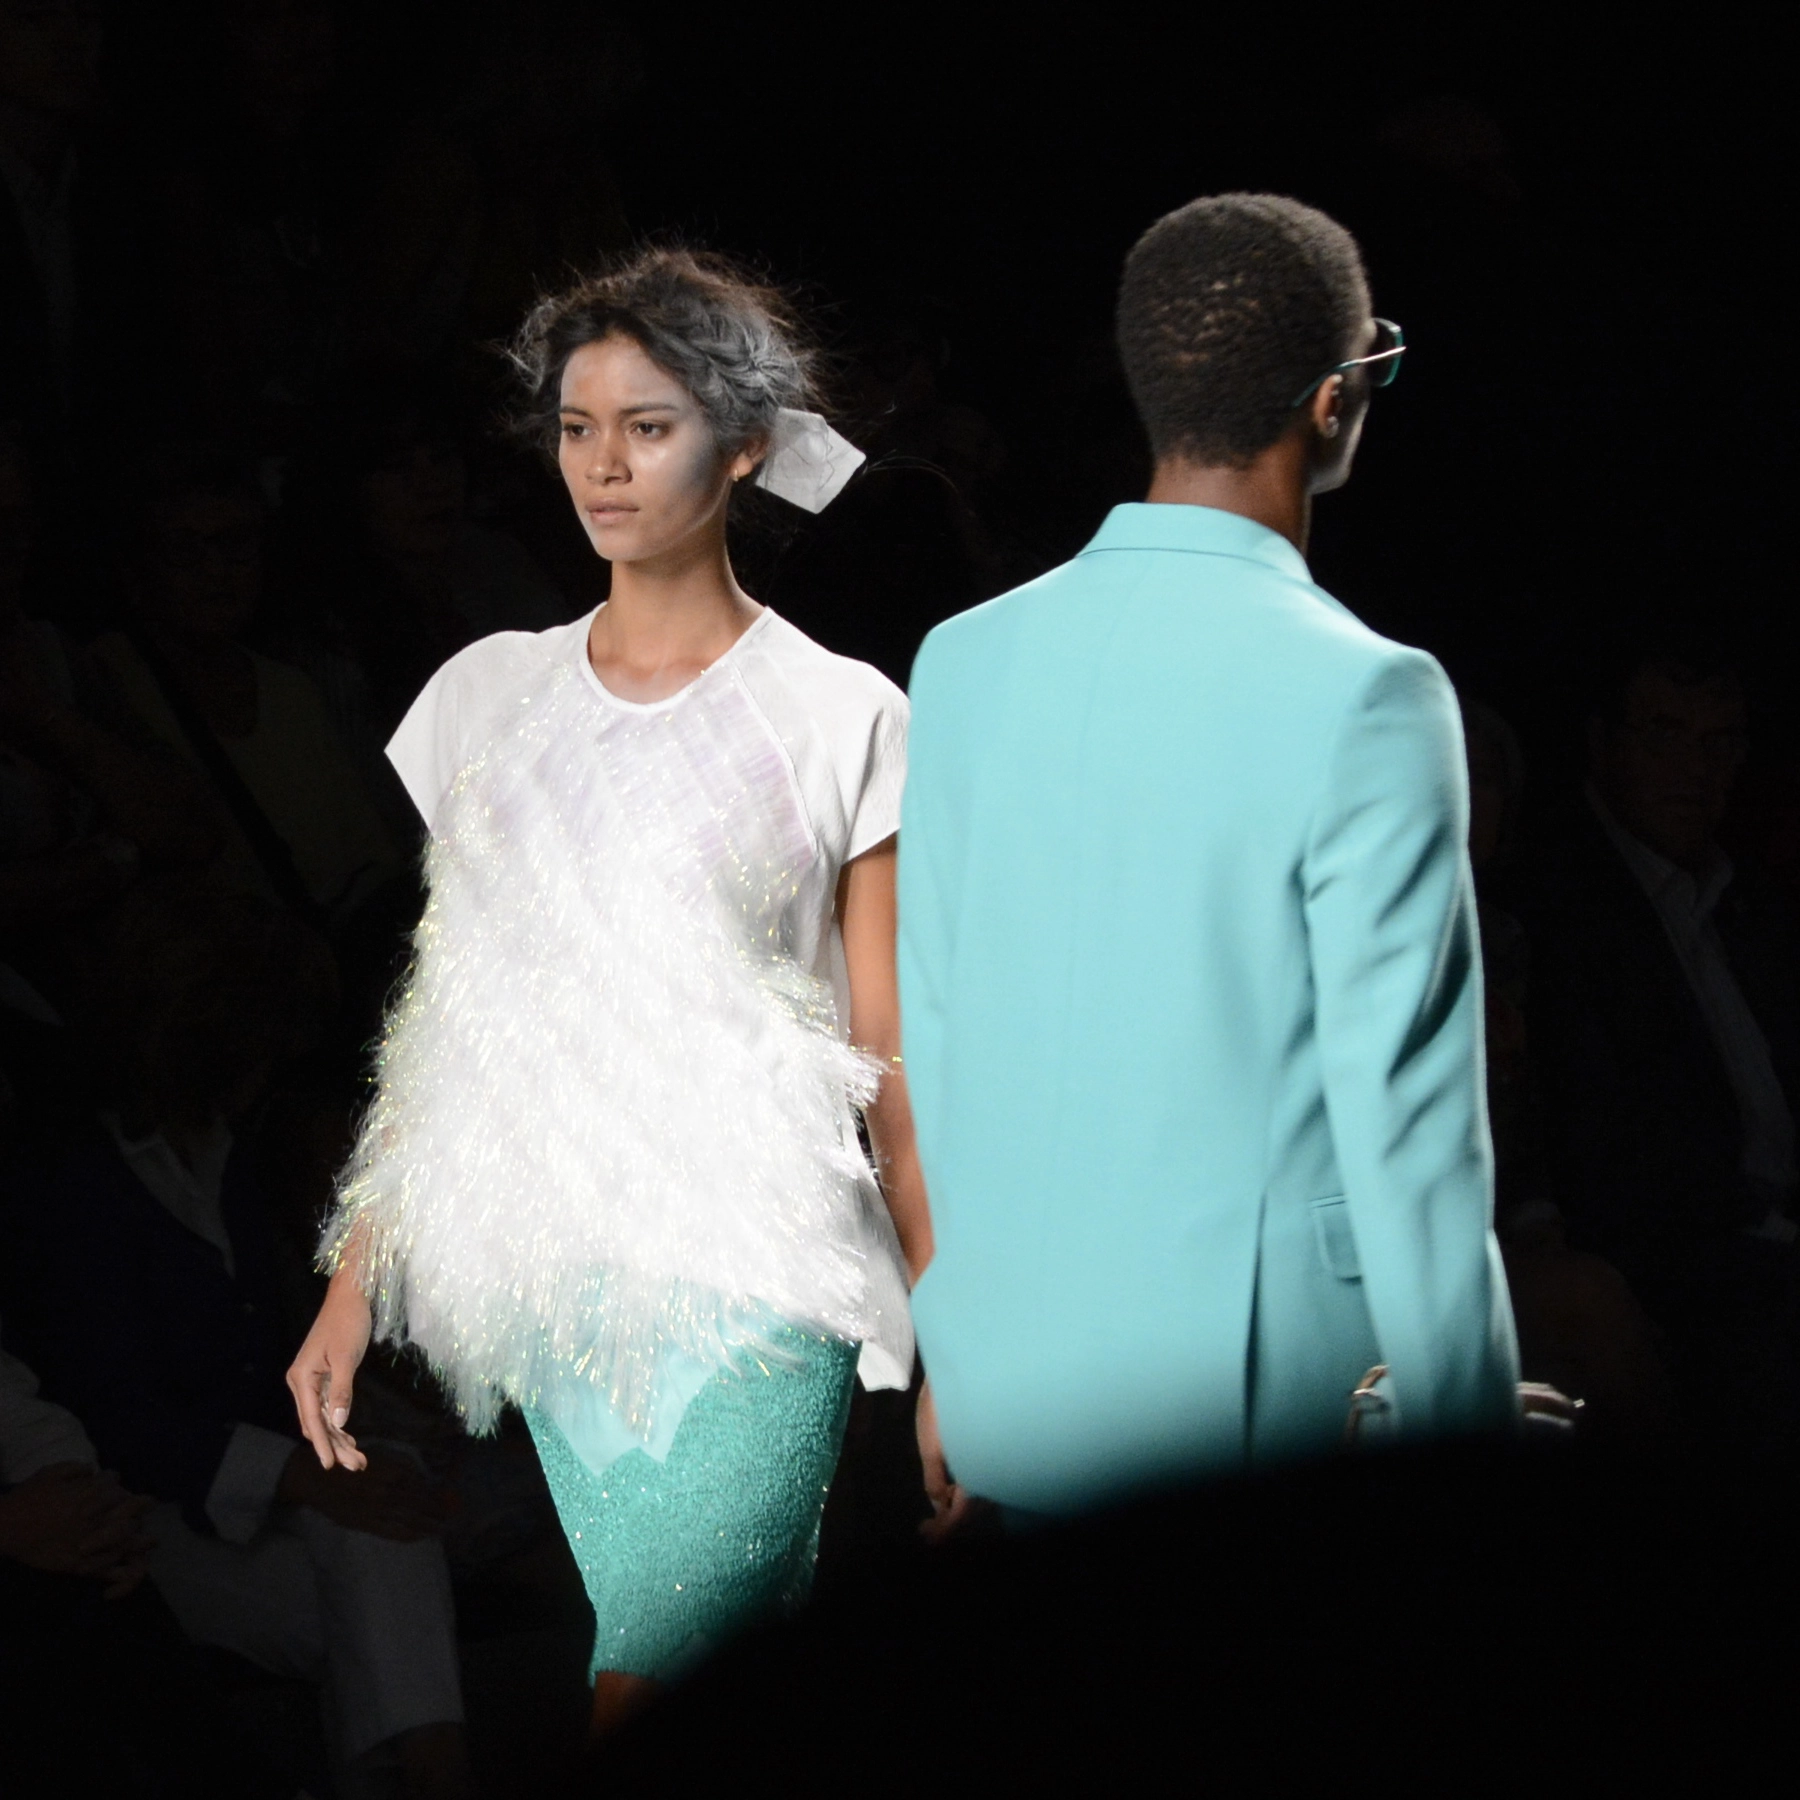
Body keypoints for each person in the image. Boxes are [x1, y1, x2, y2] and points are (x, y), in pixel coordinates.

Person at [287, 248, 929, 1736]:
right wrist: (350, 1288)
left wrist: (951, 1326)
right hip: (564, 1284)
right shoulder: (484, 699)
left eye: (649, 426)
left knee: (649, 1672)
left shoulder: (841, 712)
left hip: (762, 1276)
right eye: (580, 428)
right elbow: (450, 1027)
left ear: (745, 443)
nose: (604, 465)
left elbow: (886, 1046)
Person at [899, 194, 1521, 1522]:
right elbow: (1408, 1124)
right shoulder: (1371, 694)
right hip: (1259, 1404)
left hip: (1013, 1390)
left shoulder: (965, 659)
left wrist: (958, 1341)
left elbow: (940, 1036)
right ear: (1334, 399)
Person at [1522, 636, 1800, 1460]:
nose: (1694, 768)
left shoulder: (1750, 903)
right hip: (1685, 1262)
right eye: (1664, 735)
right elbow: (1609, 1166)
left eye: (1719, 741)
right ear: (1603, 744)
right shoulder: (1554, 907)